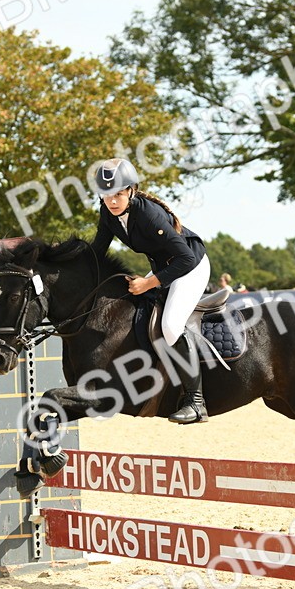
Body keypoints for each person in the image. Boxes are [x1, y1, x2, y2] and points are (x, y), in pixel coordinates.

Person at [90, 158, 211, 424]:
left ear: (131, 191)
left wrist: (148, 283)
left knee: (169, 325)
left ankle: (196, 402)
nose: (112, 201)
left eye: (118, 194)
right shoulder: (107, 213)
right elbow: (96, 251)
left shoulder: (148, 214)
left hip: (190, 266)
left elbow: (185, 260)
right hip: (164, 267)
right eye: (106, 194)